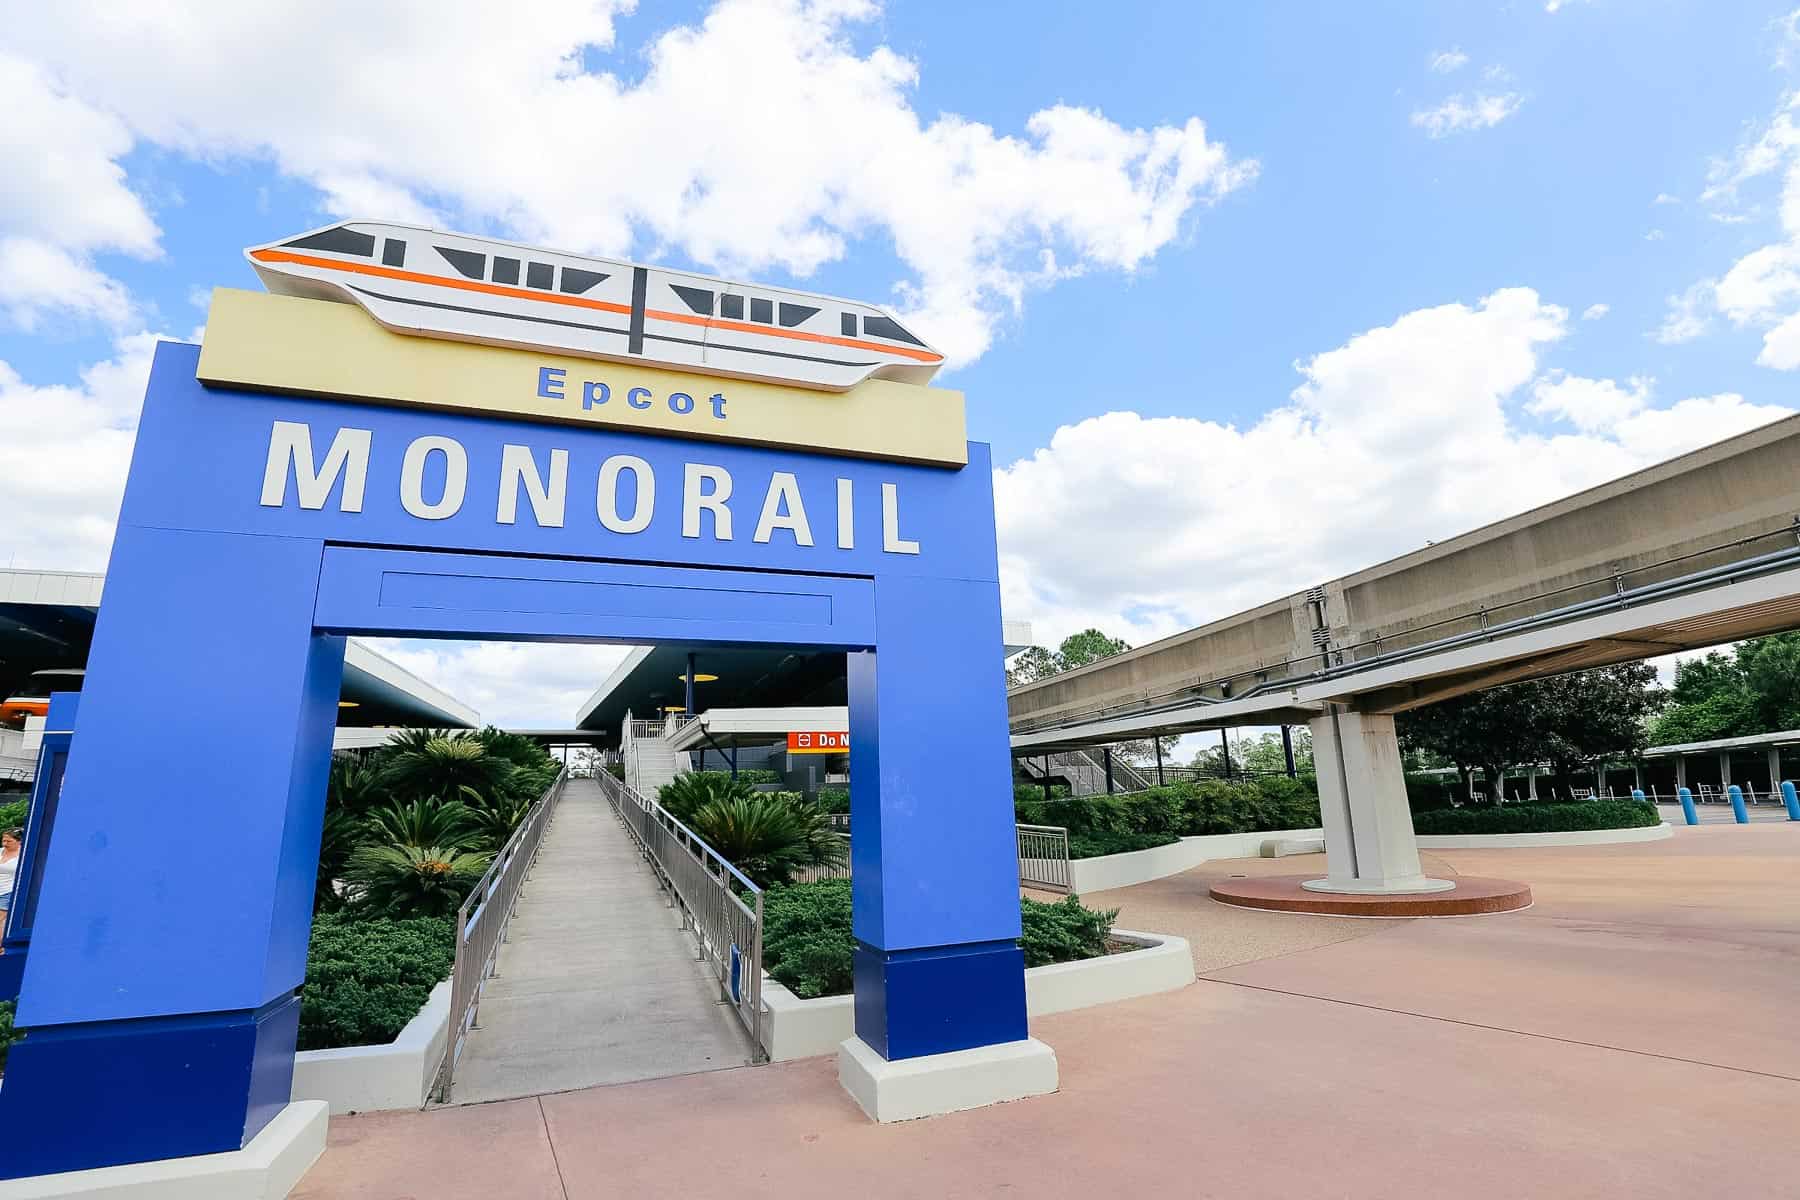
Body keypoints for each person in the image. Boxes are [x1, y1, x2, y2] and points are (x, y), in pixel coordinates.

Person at [0, 827, 22, 933]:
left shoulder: (24, 855)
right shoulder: (0, 851)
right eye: (3, 840)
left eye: (9, 841)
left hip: (8, 891)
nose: (5, 844)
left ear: (19, 841)